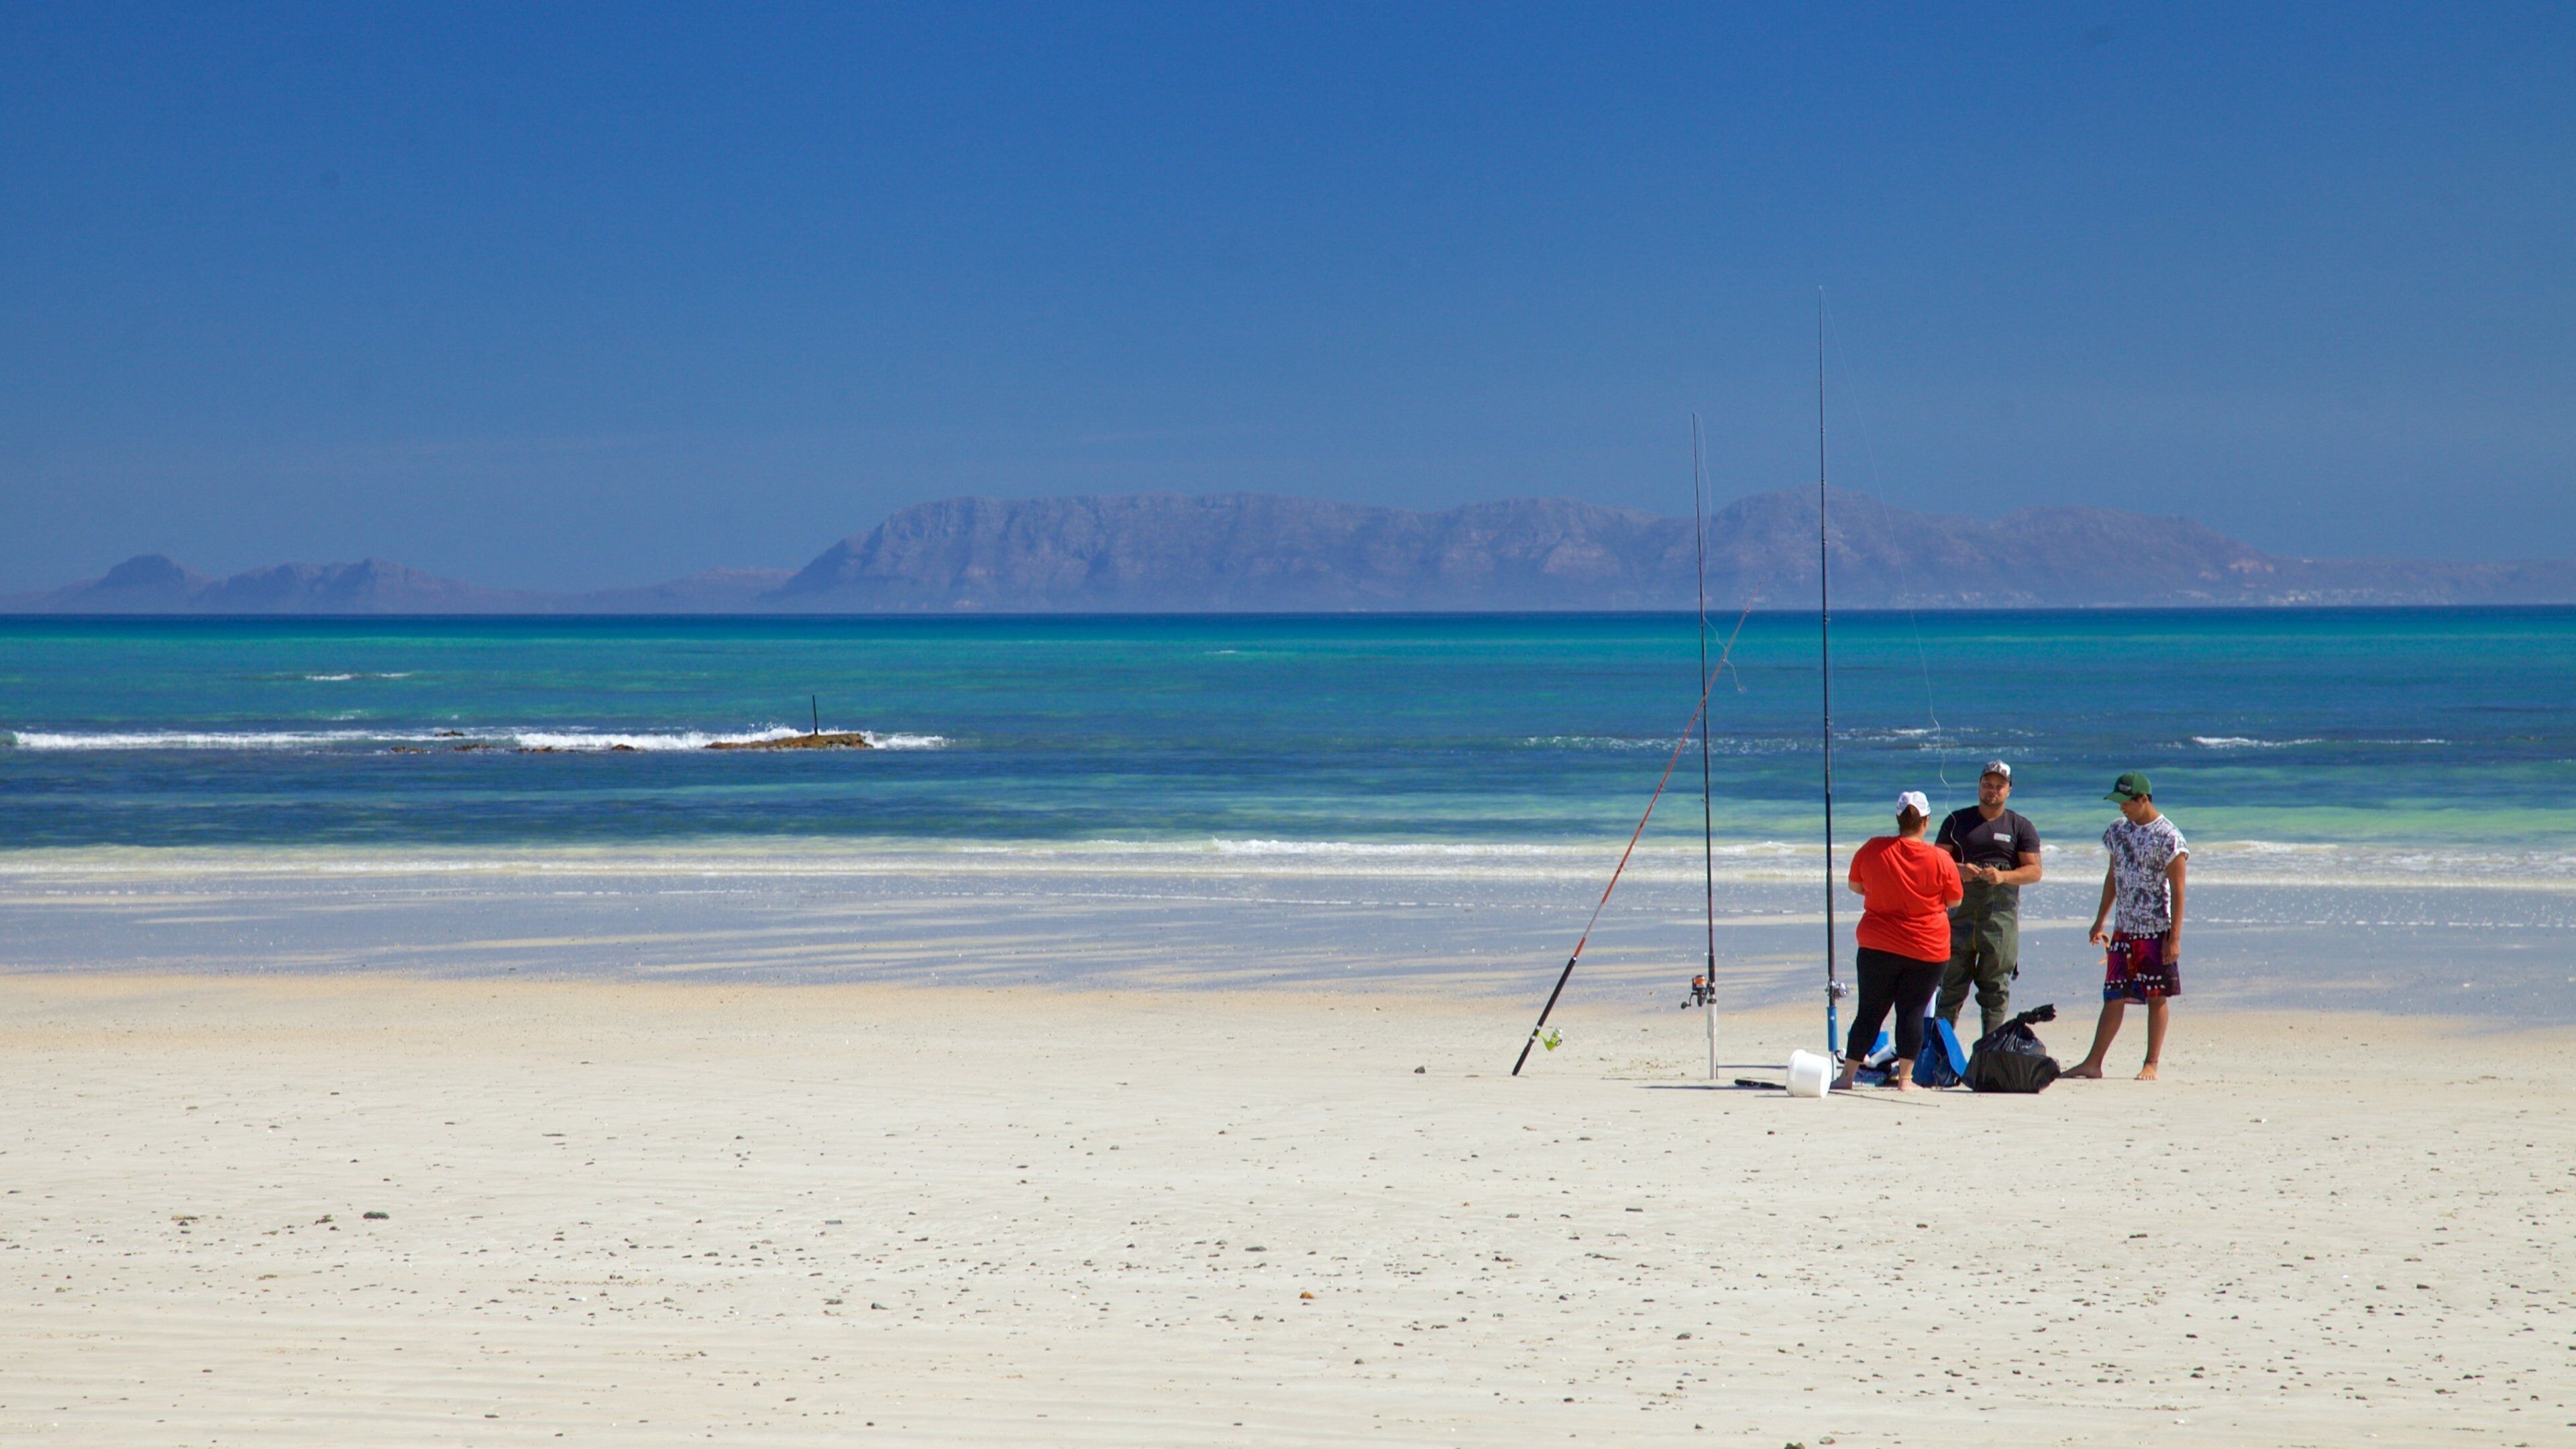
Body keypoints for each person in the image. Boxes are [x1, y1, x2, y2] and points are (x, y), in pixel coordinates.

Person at [1833, 791, 1963, 1092]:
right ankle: (1905, 1080)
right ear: (1926, 821)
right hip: (1927, 948)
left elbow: (1855, 885)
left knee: (1870, 1011)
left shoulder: (1873, 849)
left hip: (1878, 945)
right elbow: (1955, 899)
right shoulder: (1941, 859)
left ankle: (1847, 1076)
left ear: (1898, 819)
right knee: (1913, 1011)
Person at [2065, 771, 2187, 1081]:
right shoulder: (2117, 831)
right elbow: (2113, 877)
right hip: (2123, 928)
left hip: (2155, 928)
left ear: (2143, 799)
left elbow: (2179, 890)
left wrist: (2174, 938)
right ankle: (2093, 1063)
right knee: (2113, 995)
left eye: (2126, 803)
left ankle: (2152, 1063)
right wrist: (2100, 919)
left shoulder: (2169, 836)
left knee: (2156, 996)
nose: (2121, 808)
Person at [1934, 761, 2043, 1040]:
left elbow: (2034, 871)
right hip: (1959, 918)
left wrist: (2002, 877)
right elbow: (1935, 862)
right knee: (1950, 988)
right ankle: (1938, 1056)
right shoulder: (1956, 821)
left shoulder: (2020, 826)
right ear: (1979, 786)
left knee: (1995, 990)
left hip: (1999, 921)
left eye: (1999, 786)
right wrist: (1958, 870)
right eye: (1987, 784)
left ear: (2009, 790)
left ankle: (1989, 1054)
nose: (1992, 790)